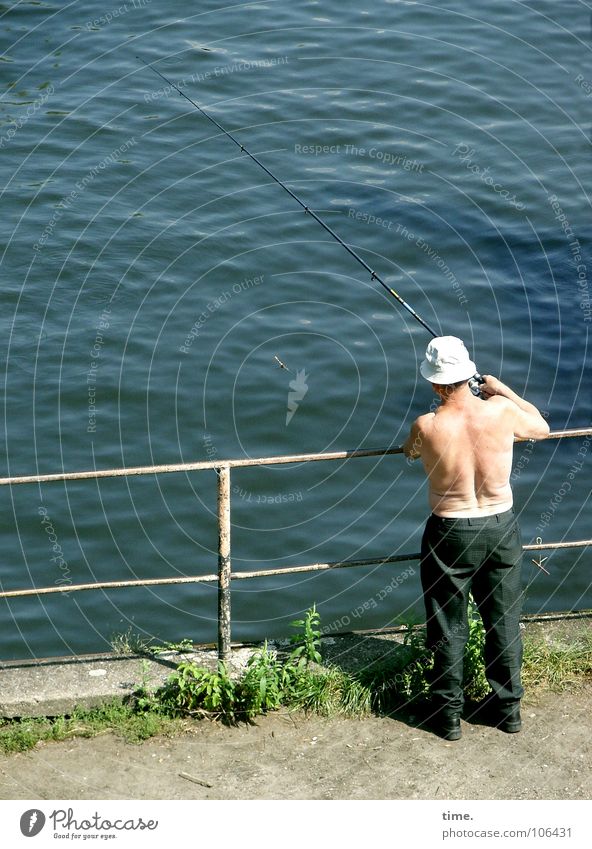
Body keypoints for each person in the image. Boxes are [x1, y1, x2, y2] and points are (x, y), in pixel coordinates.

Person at [403, 336, 549, 740]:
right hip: (500, 526)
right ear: (469, 375)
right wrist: (501, 389)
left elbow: (409, 453)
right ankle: (508, 710)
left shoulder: (427, 425)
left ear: (435, 385)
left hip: (449, 529)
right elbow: (542, 427)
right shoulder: (502, 411)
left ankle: (448, 716)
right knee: (502, 620)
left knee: (448, 625)